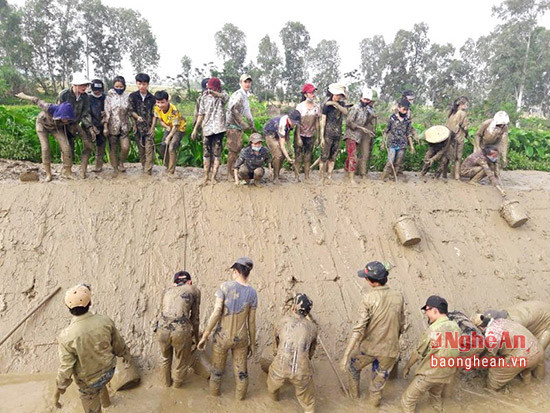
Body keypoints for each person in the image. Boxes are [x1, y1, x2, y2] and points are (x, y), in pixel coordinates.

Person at [54, 284, 132, 413]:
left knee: (91, 399)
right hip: (108, 371)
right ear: (90, 302)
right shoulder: (105, 321)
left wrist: (58, 390)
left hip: (89, 382)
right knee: (100, 382)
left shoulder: (66, 336)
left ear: (67, 307)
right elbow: (119, 345)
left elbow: (66, 368)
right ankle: (106, 403)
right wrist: (126, 356)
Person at [340, 261, 404, 406]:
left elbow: (359, 328)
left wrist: (345, 355)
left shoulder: (368, 298)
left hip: (369, 348)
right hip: (389, 351)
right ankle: (372, 406)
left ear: (371, 282)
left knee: (352, 367)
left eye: (366, 278)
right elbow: (401, 324)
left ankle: (354, 399)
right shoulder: (399, 296)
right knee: (377, 387)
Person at [197, 257, 257, 400]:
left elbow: (217, 312)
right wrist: (253, 343)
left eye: (233, 271)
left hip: (222, 337)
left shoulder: (224, 287)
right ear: (248, 273)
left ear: (236, 271)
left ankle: (214, 397)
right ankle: (240, 401)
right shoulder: (253, 293)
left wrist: (205, 335)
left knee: (217, 371)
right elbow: (252, 322)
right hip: (241, 339)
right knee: (242, 373)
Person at [401, 296, 460, 413]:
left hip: (430, 374)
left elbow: (418, 353)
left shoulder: (434, 329)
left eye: (427, 310)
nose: (426, 314)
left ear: (435, 310)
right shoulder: (455, 327)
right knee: (435, 395)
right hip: (446, 373)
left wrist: (407, 367)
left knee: (407, 400)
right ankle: (438, 410)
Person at [266, 293, 318, 413]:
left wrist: (276, 354)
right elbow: (311, 352)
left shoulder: (282, 321)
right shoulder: (313, 328)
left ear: (293, 307)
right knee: (309, 402)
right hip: (302, 371)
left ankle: (274, 403)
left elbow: (275, 346)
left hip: (280, 368)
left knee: (272, 389)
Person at [473, 311, 543, 390]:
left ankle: (491, 391)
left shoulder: (491, 334)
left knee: (495, 372)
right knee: (525, 371)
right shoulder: (502, 321)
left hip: (524, 356)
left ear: (480, 328)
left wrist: (476, 364)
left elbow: (490, 356)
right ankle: (528, 388)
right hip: (538, 350)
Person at [481, 301, 550, 378]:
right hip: (536, 312)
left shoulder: (512, 325)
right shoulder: (501, 315)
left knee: (537, 353)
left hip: (546, 322)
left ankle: (538, 380)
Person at [15, 92, 74, 181]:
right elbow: (36, 100)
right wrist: (23, 96)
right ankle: (48, 174)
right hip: (42, 125)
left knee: (66, 148)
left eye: (67, 119)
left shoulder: (69, 117)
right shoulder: (48, 107)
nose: (66, 120)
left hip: (55, 127)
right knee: (45, 148)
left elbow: (77, 127)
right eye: (64, 118)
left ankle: (67, 172)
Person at [156, 271, 201, 388]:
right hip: (180, 330)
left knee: (165, 358)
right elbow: (195, 320)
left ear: (174, 284)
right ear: (190, 282)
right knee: (181, 361)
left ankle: (166, 385)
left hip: (162, 329)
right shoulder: (194, 290)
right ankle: (176, 388)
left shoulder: (166, 291)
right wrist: (196, 339)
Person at [58, 72, 97, 178]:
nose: (85, 87)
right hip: (63, 125)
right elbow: (59, 111)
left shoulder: (85, 97)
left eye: (86, 85)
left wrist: (89, 127)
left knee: (87, 143)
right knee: (67, 148)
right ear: (75, 85)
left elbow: (85, 113)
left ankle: (82, 170)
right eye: (82, 85)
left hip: (75, 124)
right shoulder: (64, 94)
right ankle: (67, 170)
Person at [191, 77, 228, 183]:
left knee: (217, 154)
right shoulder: (204, 97)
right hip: (207, 129)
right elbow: (201, 114)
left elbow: (225, 97)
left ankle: (214, 177)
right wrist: (195, 129)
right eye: (209, 88)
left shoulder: (222, 96)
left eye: (213, 89)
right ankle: (206, 176)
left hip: (219, 129)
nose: (210, 91)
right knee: (206, 154)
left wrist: (214, 92)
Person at [343, 87, 377, 185]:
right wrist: (361, 128)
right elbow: (349, 122)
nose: (366, 101)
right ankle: (351, 179)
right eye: (364, 99)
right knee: (353, 156)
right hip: (351, 135)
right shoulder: (355, 108)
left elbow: (365, 121)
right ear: (360, 98)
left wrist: (371, 117)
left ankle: (346, 172)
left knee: (351, 156)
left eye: (368, 100)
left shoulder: (366, 109)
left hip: (358, 136)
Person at [226, 74, 256, 179]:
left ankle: (233, 171)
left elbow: (247, 112)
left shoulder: (245, 96)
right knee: (233, 150)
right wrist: (242, 122)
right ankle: (229, 174)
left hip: (237, 127)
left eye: (249, 82)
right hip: (232, 126)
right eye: (245, 82)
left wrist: (253, 125)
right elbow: (232, 109)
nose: (247, 84)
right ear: (240, 83)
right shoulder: (238, 95)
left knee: (237, 148)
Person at [319, 83, 348, 183]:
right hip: (327, 134)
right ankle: (321, 177)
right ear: (332, 94)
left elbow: (346, 112)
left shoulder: (342, 104)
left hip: (338, 134)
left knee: (333, 157)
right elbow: (322, 122)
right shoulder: (326, 105)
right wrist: (321, 137)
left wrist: (336, 104)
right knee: (324, 157)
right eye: (336, 95)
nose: (337, 97)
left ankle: (329, 176)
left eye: (339, 95)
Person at [153, 90, 186, 175]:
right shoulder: (157, 108)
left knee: (171, 147)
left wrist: (169, 136)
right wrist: (167, 127)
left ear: (167, 101)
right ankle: (168, 166)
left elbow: (175, 126)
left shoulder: (173, 110)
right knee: (163, 147)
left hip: (179, 128)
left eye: (162, 102)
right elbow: (161, 121)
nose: (160, 105)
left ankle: (171, 171)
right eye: (158, 102)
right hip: (169, 127)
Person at [381, 99, 415, 181]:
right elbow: (386, 131)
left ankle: (393, 177)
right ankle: (383, 178)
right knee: (390, 162)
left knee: (398, 163)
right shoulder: (391, 118)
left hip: (402, 145)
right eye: (404, 109)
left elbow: (408, 134)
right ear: (399, 108)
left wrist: (412, 146)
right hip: (392, 143)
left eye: (406, 110)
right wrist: (383, 143)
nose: (405, 112)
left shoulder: (407, 121)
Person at [104, 76, 131, 176]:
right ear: (113, 86)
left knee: (125, 147)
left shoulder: (128, 96)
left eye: (121, 86)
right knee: (113, 148)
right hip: (112, 126)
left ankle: (121, 163)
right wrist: (105, 127)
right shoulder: (109, 97)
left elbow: (130, 111)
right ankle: (115, 168)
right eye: (117, 86)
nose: (119, 88)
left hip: (124, 126)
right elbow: (106, 113)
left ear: (124, 86)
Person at [129, 73, 156, 175]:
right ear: (136, 84)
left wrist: (153, 128)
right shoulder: (133, 96)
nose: (142, 86)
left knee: (149, 150)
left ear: (147, 84)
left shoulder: (152, 98)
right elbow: (131, 110)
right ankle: (144, 166)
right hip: (137, 128)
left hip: (148, 127)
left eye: (144, 84)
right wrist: (137, 117)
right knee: (141, 150)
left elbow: (155, 114)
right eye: (139, 84)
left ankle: (148, 171)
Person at [263, 110, 300, 183]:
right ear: (289, 118)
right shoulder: (283, 124)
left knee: (283, 155)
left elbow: (287, 135)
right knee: (278, 155)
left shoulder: (290, 124)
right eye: (293, 122)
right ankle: (275, 178)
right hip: (270, 134)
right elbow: (282, 145)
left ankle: (277, 173)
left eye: (295, 123)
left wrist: (290, 149)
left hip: (278, 134)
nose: (294, 124)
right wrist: (288, 158)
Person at [295, 83, 320, 182]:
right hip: (300, 134)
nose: (313, 94)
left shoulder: (316, 107)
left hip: (310, 136)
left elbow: (317, 123)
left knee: (308, 156)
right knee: (298, 156)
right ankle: (297, 177)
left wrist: (317, 137)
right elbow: (297, 123)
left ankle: (307, 177)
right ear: (305, 94)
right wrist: (298, 137)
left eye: (314, 92)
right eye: (311, 92)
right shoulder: (300, 107)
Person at [446, 96, 469, 180]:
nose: (467, 106)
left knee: (447, 156)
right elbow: (465, 127)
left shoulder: (451, 113)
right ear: (461, 105)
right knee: (458, 158)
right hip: (459, 137)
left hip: (449, 137)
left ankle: (444, 175)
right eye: (466, 104)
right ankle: (456, 176)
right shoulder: (462, 113)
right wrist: (467, 134)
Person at [89, 79, 107, 173]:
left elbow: (108, 110)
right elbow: (86, 114)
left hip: (102, 125)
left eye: (99, 90)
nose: (97, 92)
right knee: (88, 146)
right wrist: (91, 126)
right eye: (95, 90)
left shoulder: (104, 97)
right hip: (90, 125)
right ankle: (84, 167)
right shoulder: (88, 98)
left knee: (101, 146)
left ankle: (98, 166)